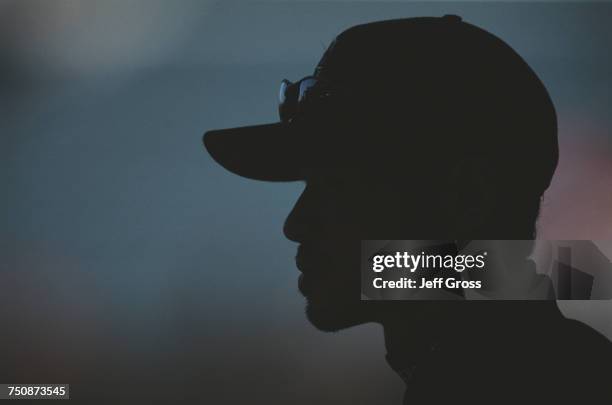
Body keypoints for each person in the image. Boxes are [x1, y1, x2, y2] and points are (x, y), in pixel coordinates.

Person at [204, 15, 611, 403]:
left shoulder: (500, 387)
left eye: (338, 187)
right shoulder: (554, 370)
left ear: (467, 198)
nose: (295, 224)